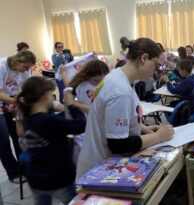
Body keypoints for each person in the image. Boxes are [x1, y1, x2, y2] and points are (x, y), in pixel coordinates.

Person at [76, 38, 174, 179]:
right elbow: (118, 144)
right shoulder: (119, 90)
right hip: (100, 170)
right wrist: (157, 137)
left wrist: (144, 128)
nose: (156, 71)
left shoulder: (117, 77)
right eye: (156, 66)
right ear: (144, 58)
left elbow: (118, 118)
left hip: (104, 165)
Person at [16, 76, 86, 205]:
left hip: (35, 178)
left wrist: (62, 109)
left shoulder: (29, 118)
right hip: (57, 178)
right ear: (45, 95)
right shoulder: (48, 121)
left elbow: (55, 123)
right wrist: (71, 105)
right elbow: (80, 125)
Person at [0, 50, 36, 183]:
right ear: (17, 61)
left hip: (13, 105)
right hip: (1, 107)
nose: (26, 70)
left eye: (28, 68)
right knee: (3, 142)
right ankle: (13, 173)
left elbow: (25, 89)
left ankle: (25, 169)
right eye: (25, 67)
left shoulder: (24, 71)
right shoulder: (1, 67)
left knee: (19, 137)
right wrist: (18, 101)